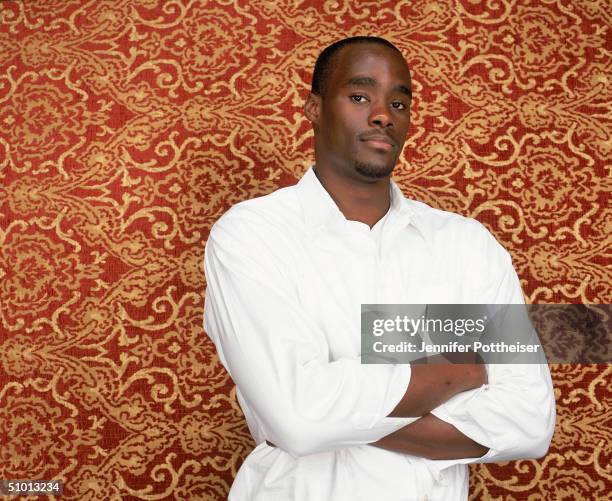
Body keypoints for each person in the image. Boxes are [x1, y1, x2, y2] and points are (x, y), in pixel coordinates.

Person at [204, 36, 555, 500]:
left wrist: (331, 411)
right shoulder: (253, 233)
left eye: (399, 101)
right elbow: (297, 416)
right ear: (313, 108)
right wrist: (458, 373)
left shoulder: (467, 244)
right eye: (359, 96)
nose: (383, 115)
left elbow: (529, 419)